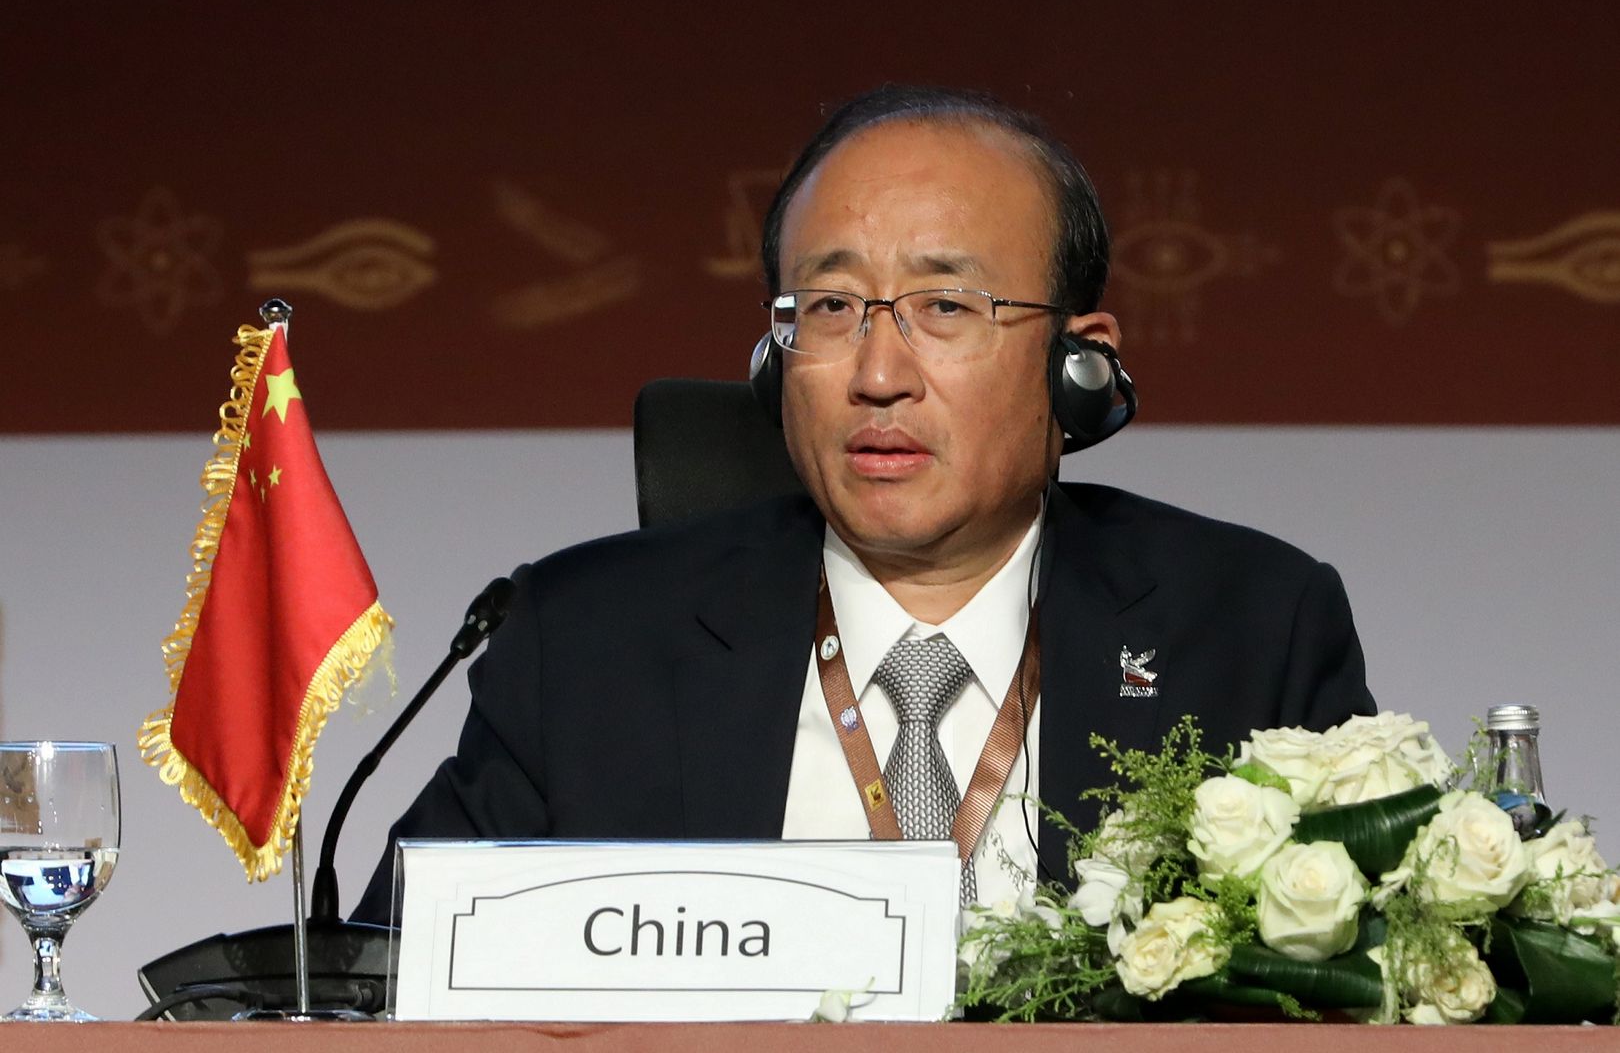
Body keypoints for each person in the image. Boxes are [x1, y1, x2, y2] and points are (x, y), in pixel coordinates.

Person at [353, 86, 1374, 924]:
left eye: (946, 307)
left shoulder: (1252, 631)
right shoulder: (583, 647)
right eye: (832, 308)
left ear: (1080, 363)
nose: (878, 375)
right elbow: (387, 983)